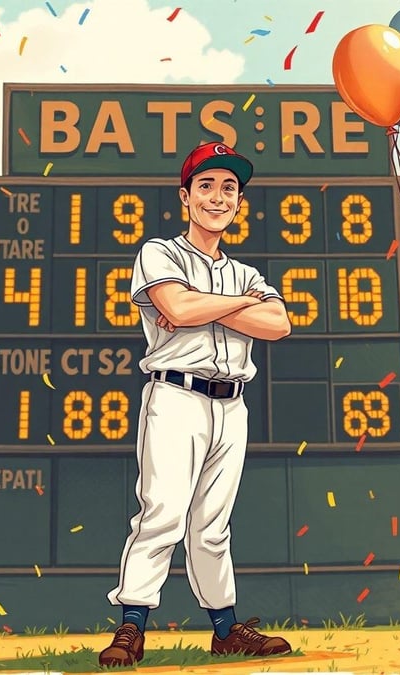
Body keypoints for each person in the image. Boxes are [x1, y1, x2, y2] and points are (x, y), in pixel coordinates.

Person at [99, 141, 293, 667]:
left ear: (239, 201)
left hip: (232, 405)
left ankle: (226, 630)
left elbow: (278, 324)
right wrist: (232, 309)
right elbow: (177, 308)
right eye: (206, 185)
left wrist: (200, 309)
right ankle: (131, 626)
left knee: (212, 526)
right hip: (176, 395)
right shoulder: (159, 252)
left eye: (229, 187)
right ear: (186, 196)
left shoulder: (246, 272)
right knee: (160, 513)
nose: (218, 196)